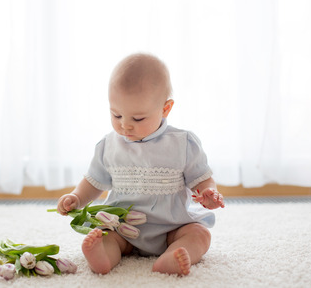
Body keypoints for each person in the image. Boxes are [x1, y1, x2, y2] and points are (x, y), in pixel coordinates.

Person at [57, 53, 225, 276]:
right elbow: (94, 180)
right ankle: (103, 256)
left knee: (200, 234)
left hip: (172, 227)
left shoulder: (182, 143)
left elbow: (201, 178)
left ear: (165, 109)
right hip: (122, 227)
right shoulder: (108, 145)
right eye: (116, 115)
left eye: (137, 119)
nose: (125, 126)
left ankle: (173, 255)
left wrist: (209, 193)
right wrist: (77, 197)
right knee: (106, 234)